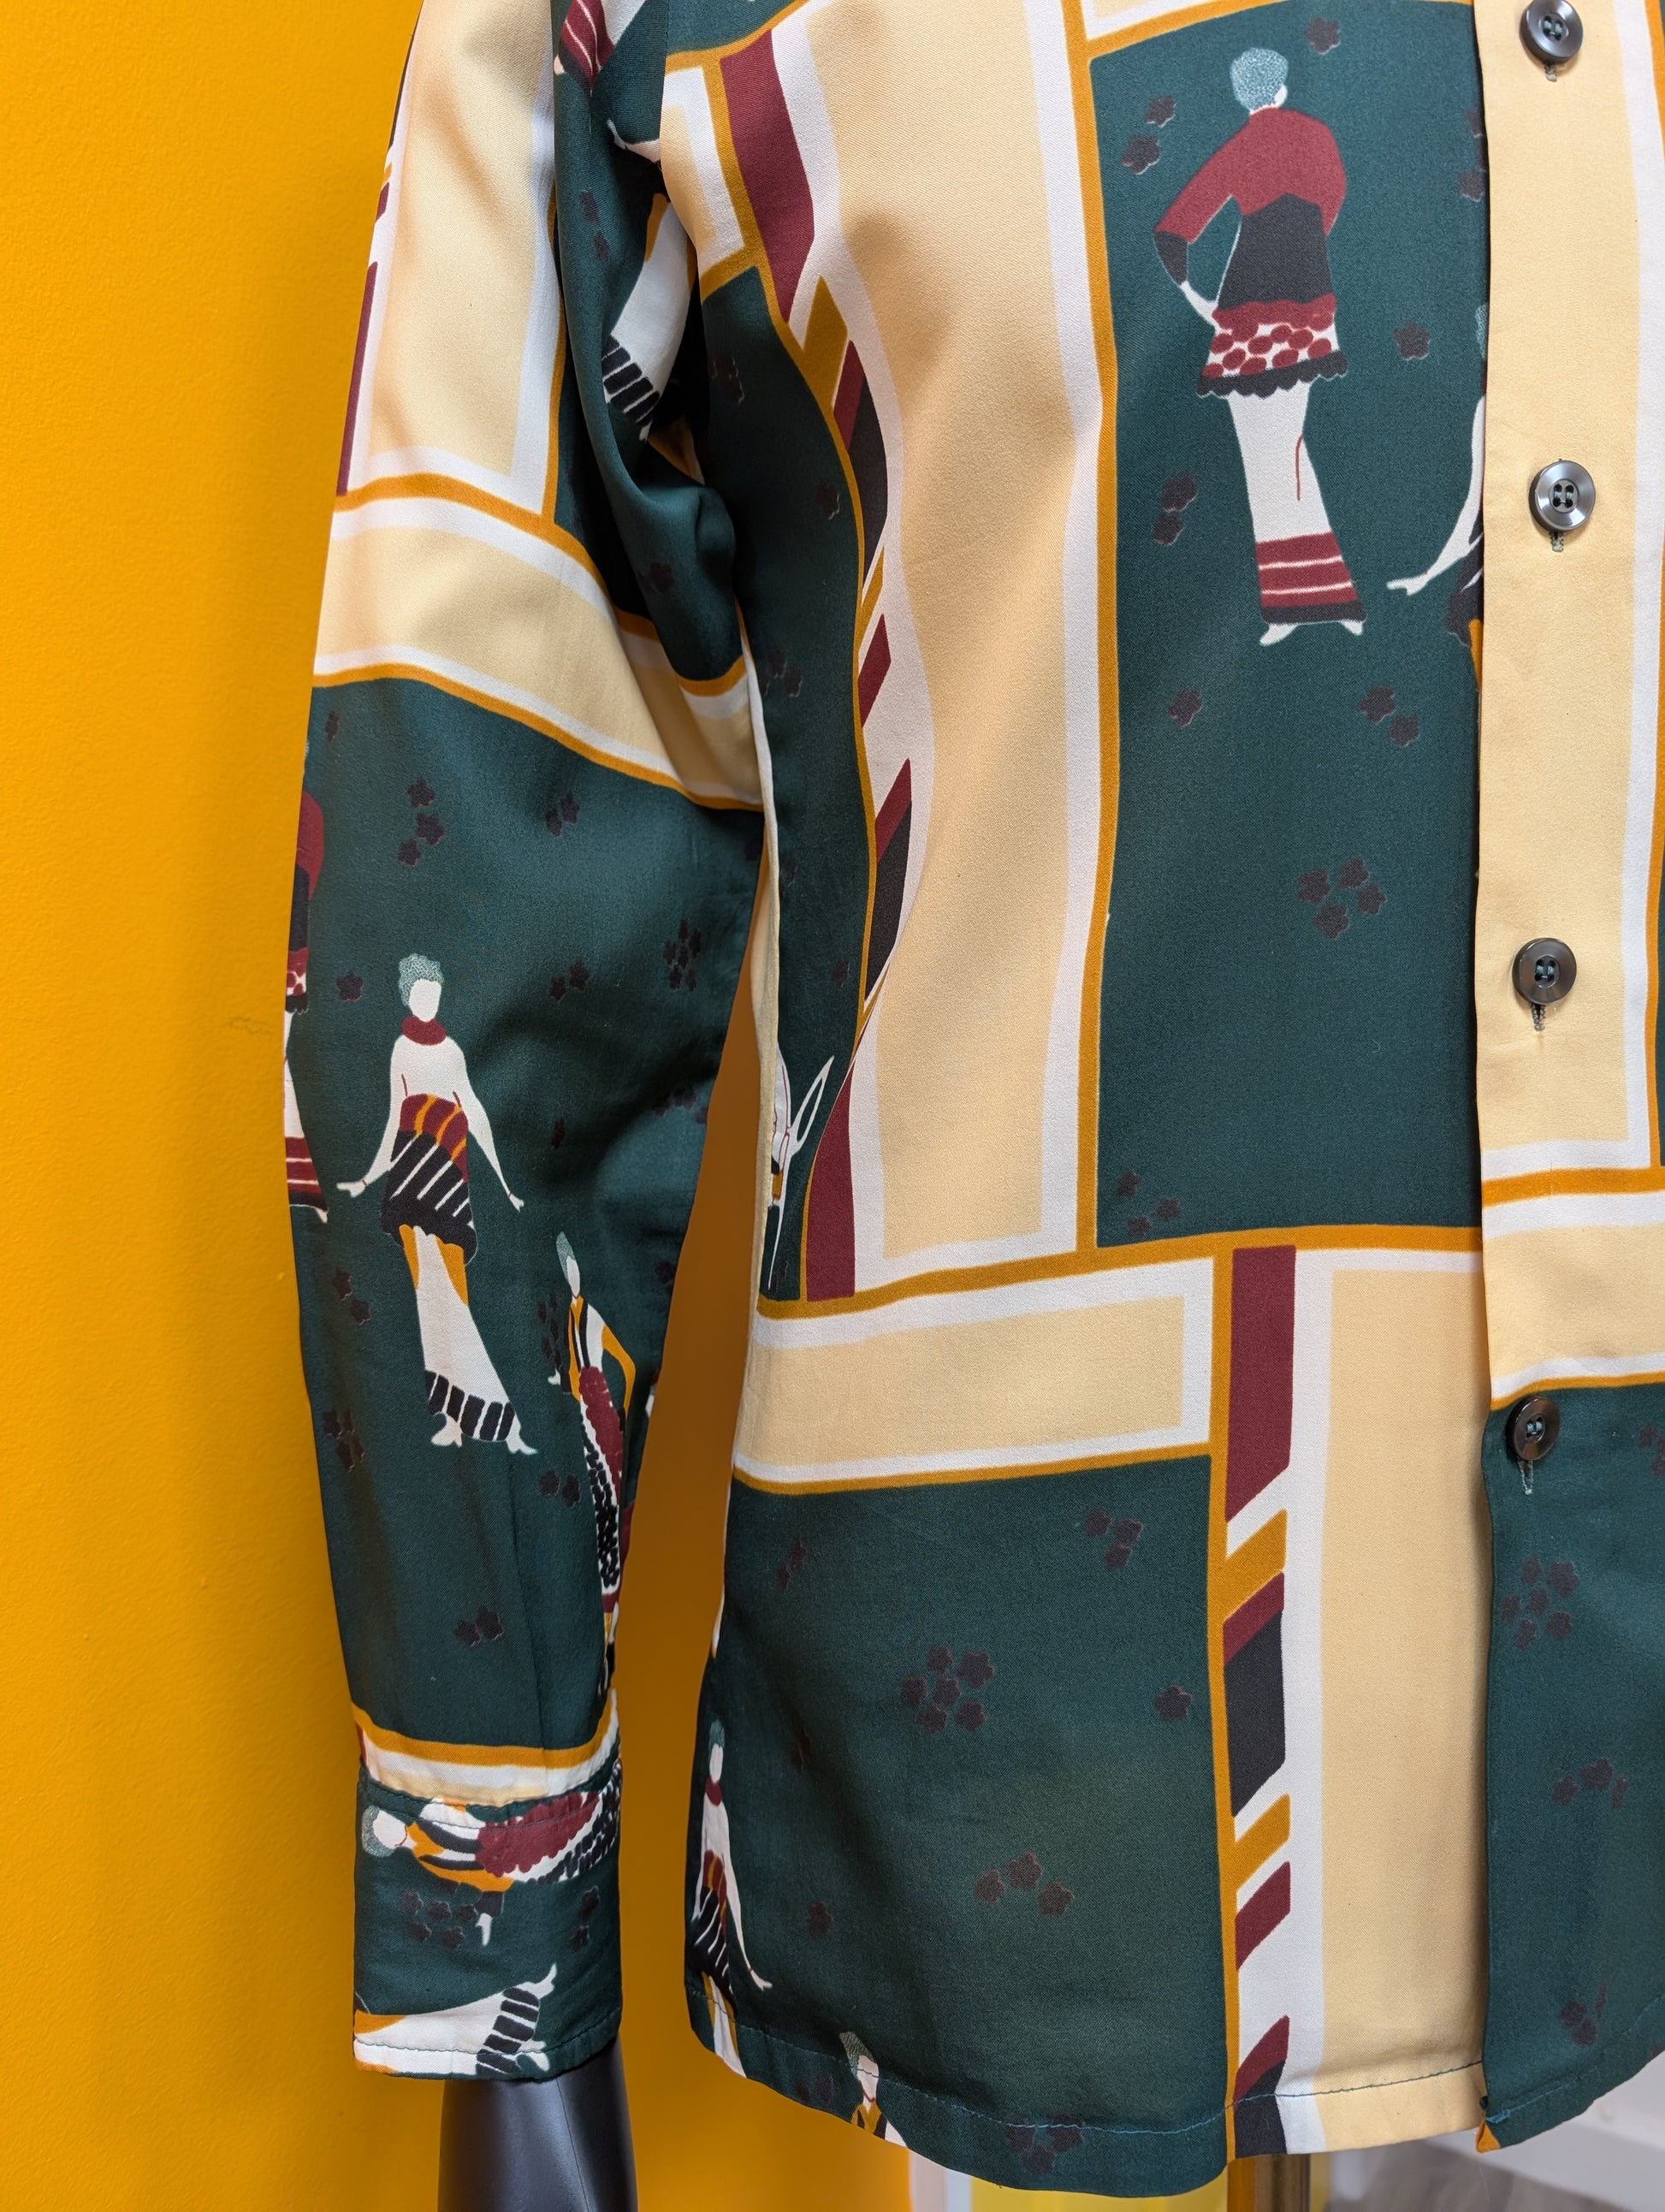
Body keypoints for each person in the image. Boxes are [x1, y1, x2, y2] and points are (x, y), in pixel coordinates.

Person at [1154, 47, 1365, 643]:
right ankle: (1321, 598)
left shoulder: (1242, 146)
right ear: (1282, 87)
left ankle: (1307, 601)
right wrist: (1307, 250)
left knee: (1268, 457)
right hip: (1308, 303)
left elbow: (1176, 227)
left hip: (1247, 312)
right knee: (1286, 450)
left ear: (1243, 95)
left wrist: (1194, 294)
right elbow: (1334, 195)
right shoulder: (1316, 135)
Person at [337, 954, 534, 1455]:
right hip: (409, 1178)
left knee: (455, 1287)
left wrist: (504, 1182)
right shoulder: (401, 1050)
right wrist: (367, 1179)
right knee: (426, 1293)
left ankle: (494, 1413)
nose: (430, 999)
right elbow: (393, 1118)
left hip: (448, 1176)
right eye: (421, 992)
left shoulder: (452, 1052)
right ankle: (450, 1416)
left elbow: (475, 1111)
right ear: (408, 997)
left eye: (435, 991)